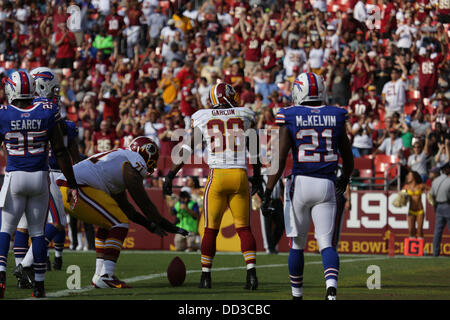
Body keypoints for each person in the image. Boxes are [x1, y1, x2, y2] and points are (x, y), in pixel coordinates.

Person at [262, 72, 354, 300]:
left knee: (297, 244)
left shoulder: (290, 115)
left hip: (301, 184)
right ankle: (331, 290)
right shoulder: (336, 114)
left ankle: (297, 295)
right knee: (326, 243)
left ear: (298, 91)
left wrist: (266, 192)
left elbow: (280, 159)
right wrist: (344, 179)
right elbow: (348, 157)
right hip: (327, 184)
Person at [163, 82, 264, 290]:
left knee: (210, 230)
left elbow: (188, 148)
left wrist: (171, 174)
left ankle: (206, 277)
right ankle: (252, 275)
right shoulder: (245, 114)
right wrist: (258, 176)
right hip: (239, 174)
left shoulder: (203, 116)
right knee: (244, 229)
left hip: (218, 175)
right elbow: (253, 149)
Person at [56, 136, 188, 288]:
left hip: (65, 185)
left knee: (109, 223)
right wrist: (166, 224)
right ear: (145, 152)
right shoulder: (131, 163)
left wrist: (149, 225)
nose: (154, 162)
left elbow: (128, 209)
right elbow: (144, 204)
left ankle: (99, 275)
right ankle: (107, 275)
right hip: (74, 187)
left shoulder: (118, 163)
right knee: (119, 222)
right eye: (153, 157)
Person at [0, 70, 79, 298]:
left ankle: (2, 273)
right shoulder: (47, 112)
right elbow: (61, 151)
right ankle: (39, 286)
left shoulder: (4, 114)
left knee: (6, 229)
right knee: (37, 232)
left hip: (14, 175)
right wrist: (73, 184)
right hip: (39, 177)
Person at [258, 175, 284, 254]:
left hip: (277, 201)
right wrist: (260, 201)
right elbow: (257, 190)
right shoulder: (262, 176)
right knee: (267, 226)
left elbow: (282, 189)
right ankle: (269, 248)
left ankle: (272, 244)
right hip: (267, 202)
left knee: (281, 225)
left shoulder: (278, 177)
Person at [429, 162, 450, 257]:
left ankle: (435, 252)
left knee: (437, 231)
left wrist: (435, 206)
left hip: (439, 207)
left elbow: (431, 195)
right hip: (448, 205)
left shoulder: (435, 181)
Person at [402, 171, 429, 238]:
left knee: (419, 230)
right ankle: (411, 247)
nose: (408, 177)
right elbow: (401, 196)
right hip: (411, 211)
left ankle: (420, 247)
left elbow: (431, 190)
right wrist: (403, 197)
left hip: (420, 211)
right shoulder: (406, 187)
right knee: (411, 230)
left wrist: (430, 195)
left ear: (414, 177)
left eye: (409, 175)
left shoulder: (421, 185)